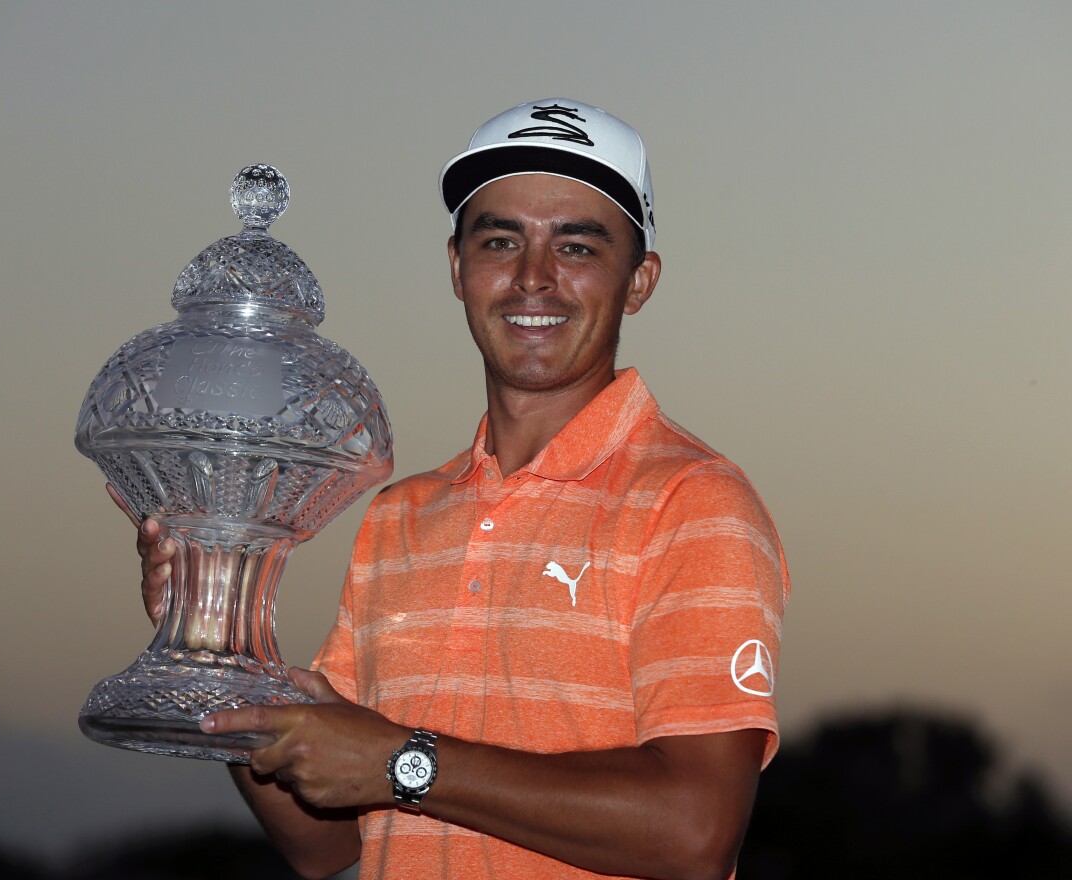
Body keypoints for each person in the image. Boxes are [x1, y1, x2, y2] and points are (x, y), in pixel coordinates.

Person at [119, 99, 790, 880]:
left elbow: (695, 832)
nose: (533, 277)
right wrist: (220, 642)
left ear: (639, 281)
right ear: (456, 269)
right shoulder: (400, 517)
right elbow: (323, 842)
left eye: (576, 245)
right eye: (500, 240)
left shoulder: (695, 502)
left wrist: (405, 759)